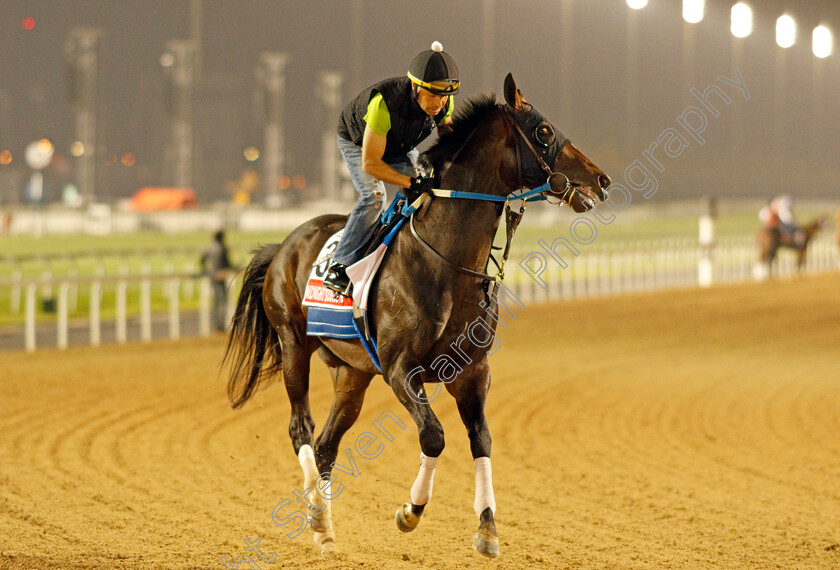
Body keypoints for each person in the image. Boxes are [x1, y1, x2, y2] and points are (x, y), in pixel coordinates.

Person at [322, 41, 459, 294]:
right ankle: (339, 266)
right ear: (416, 87)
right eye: (432, 96)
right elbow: (371, 162)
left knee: (423, 193)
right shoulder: (384, 103)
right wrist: (410, 182)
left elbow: (447, 144)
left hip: (399, 143)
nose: (438, 104)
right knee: (374, 197)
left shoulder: (443, 104)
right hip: (360, 142)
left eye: (443, 97)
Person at [200, 230, 236, 331]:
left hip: (212, 276)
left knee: (216, 302)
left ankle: (215, 324)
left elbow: (202, 260)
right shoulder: (222, 248)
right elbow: (227, 263)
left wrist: (206, 270)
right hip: (220, 276)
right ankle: (220, 325)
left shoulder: (210, 247)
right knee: (223, 301)